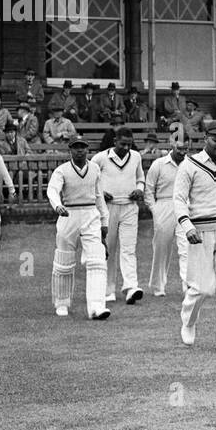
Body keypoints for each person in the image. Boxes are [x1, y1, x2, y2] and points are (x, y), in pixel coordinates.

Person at [174, 124, 216, 354]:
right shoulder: (189, 165)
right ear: (206, 138)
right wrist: (187, 225)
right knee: (202, 288)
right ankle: (189, 319)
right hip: (199, 233)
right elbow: (179, 199)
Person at [47, 137, 111, 320]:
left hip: (91, 215)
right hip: (69, 215)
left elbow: (99, 196)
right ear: (70, 151)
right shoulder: (62, 170)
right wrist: (57, 206)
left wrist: (104, 221)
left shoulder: (95, 169)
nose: (80, 151)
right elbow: (52, 190)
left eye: (83, 147)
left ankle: (97, 307)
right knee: (64, 262)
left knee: (97, 260)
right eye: (76, 148)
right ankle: (61, 302)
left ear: (87, 150)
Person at [94, 126, 147, 305]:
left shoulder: (136, 157)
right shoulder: (100, 158)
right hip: (108, 209)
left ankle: (131, 287)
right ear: (115, 141)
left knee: (129, 249)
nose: (126, 148)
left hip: (130, 207)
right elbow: (91, 181)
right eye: (123, 144)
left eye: (129, 144)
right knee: (108, 250)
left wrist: (139, 190)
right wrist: (101, 193)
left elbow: (141, 178)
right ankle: (108, 289)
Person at [145, 135, 188, 297]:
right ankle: (158, 286)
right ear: (172, 145)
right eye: (180, 148)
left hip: (184, 206)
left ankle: (187, 285)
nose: (183, 152)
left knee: (186, 248)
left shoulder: (190, 164)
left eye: (186, 149)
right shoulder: (159, 164)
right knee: (161, 248)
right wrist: (154, 209)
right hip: (163, 205)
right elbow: (149, 189)